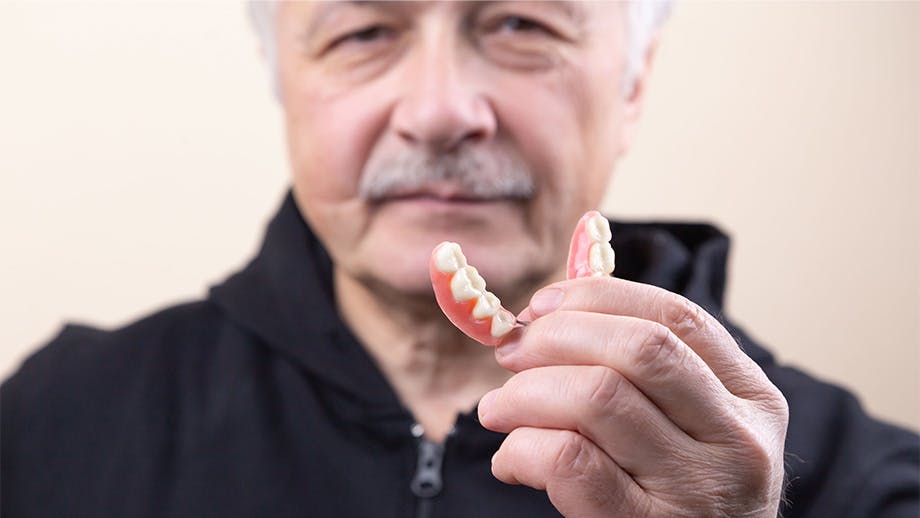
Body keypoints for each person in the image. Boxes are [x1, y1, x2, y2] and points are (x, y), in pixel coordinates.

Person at [2, 2, 917, 517]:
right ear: (286, 82)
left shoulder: (872, 487)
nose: (440, 111)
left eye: (521, 23)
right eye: (363, 32)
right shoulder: (45, 433)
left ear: (632, 87)